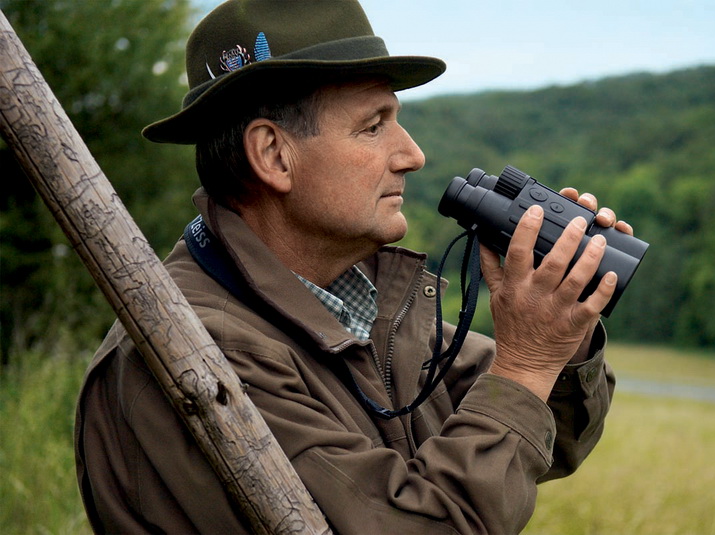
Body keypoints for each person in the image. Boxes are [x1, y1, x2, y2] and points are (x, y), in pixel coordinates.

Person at [75, 0, 633, 533]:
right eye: (373, 126)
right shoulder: (199, 354)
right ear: (272, 154)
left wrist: (565, 323)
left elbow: (551, 438)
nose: (412, 155)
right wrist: (527, 361)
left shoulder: (358, 304)